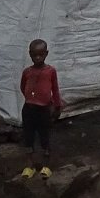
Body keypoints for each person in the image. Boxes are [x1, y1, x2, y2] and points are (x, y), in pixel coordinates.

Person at [18, 39, 63, 178]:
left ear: (46, 53)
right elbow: (23, 87)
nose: (37, 58)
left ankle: (46, 165)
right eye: (34, 55)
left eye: (41, 55)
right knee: (28, 137)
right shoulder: (27, 72)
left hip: (44, 110)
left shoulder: (50, 71)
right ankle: (30, 165)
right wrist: (31, 98)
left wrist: (57, 106)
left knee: (45, 136)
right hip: (29, 109)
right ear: (30, 54)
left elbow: (55, 89)